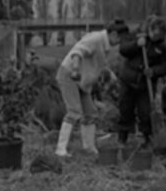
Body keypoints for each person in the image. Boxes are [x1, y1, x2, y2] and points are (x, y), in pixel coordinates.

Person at [55, 19, 129, 158]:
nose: (120, 43)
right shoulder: (96, 39)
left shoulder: (104, 44)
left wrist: (110, 75)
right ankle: (60, 150)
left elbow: (96, 62)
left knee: (90, 112)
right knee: (74, 111)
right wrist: (75, 69)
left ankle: (89, 148)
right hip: (70, 74)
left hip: (83, 82)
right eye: (120, 39)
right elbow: (77, 52)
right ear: (113, 34)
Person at [117, 15, 166, 148]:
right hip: (128, 79)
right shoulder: (136, 35)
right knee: (125, 109)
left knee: (145, 112)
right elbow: (123, 49)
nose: (155, 35)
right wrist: (136, 44)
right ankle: (122, 138)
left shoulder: (162, 47)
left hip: (145, 84)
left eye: (159, 34)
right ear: (150, 29)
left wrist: (154, 71)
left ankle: (147, 139)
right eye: (154, 32)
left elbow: (165, 65)